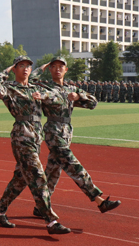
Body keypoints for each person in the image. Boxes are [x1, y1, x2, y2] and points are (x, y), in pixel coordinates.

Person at [0, 56, 71, 235]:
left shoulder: (34, 87)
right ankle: (51, 221)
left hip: (36, 136)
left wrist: (44, 67)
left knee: (20, 178)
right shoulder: (10, 88)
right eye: (21, 66)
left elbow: (33, 76)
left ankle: (0, 210)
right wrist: (7, 69)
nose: (25, 69)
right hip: (22, 137)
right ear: (15, 69)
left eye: (28, 66)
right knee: (38, 175)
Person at [30, 57, 120, 215]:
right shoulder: (45, 87)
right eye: (54, 66)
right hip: (53, 130)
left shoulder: (71, 89)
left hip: (67, 131)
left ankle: (40, 207)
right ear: (50, 69)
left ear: (66, 70)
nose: (57, 69)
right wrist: (42, 67)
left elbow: (93, 103)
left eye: (61, 66)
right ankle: (99, 200)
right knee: (72, 163)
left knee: (53, 171)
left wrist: (79, 97)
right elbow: (31, 81)